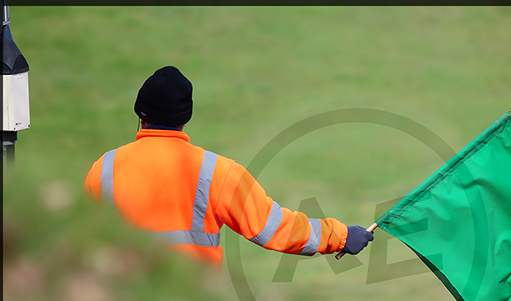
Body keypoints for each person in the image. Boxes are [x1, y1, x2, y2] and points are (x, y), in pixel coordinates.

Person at [85, 66, 374, 267]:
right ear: (185, 118)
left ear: (140, 114)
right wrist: (341, 236)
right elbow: (275, 228)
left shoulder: (103, 169)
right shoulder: (216, 172)